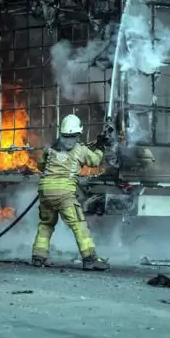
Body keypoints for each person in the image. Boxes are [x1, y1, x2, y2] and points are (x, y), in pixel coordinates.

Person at [32, 114, 113, 271]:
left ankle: (38, 257)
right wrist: (101, 147)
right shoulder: (80, 150)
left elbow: (41, 166)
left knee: (46, 224)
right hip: (64, 194)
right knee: (78, 225)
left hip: (45, 191)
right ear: (77, 134)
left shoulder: (50, 149)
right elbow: (95, 161)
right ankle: (89, 259)